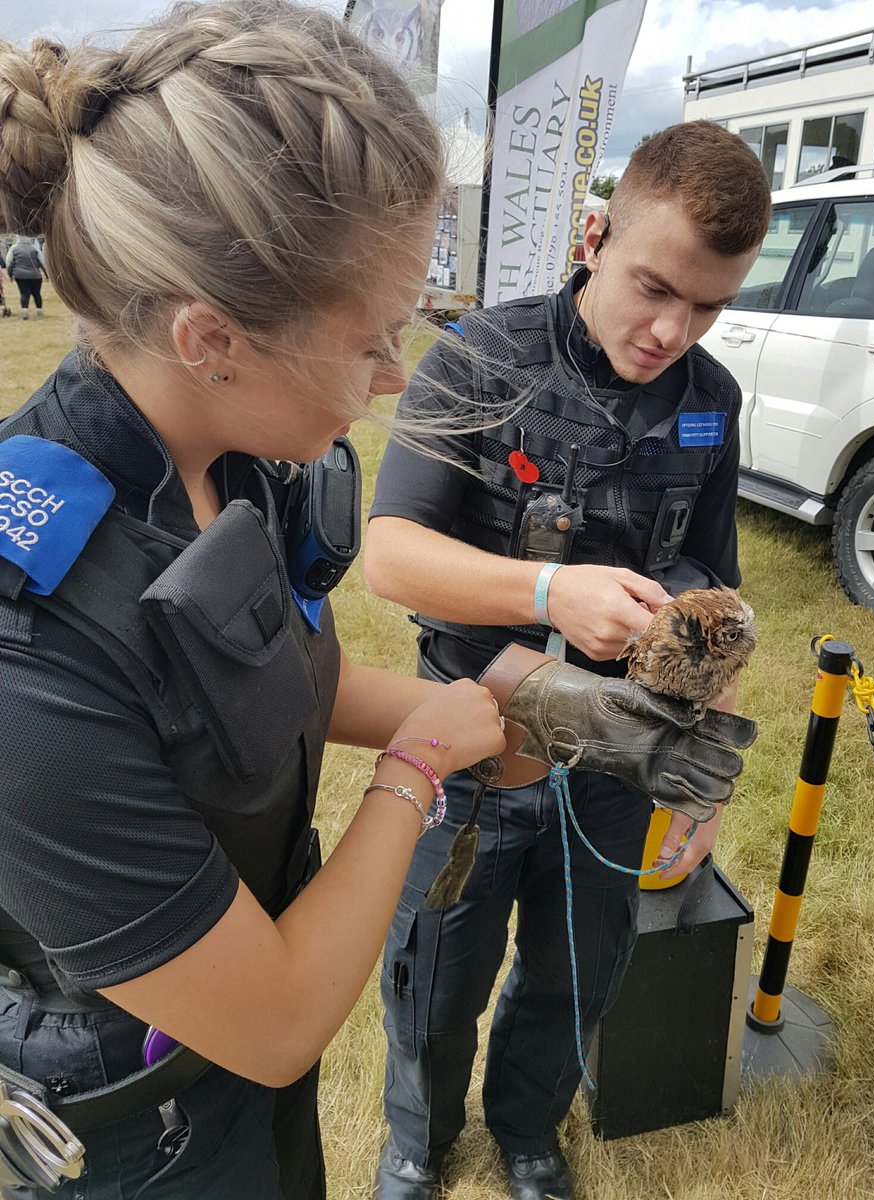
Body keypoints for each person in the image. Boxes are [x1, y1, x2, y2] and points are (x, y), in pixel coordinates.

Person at [0, 11, 752, 1200]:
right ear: (212, 338)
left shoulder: (228, 459)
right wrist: (415, 764)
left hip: (234, 1087)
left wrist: (543, 711)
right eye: (370, 342)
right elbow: (280, 1014)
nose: (398, 380)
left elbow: (272, 687)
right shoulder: (28, 654)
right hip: (133, 1128)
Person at [365, 120, 771, 1200]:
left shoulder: (709, 401)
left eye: (708, 307)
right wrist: (550, 592)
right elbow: (390, 554)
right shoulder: (482, 359)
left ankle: (530, 1133)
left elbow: (711, 584)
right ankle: (417, 1136)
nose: (671, 329)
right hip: (472, 746)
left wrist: (704, 781)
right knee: (435, 977)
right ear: (595, 235)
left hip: (619, 765)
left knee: (572, 977)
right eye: (652, 287)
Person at [5, 234, 47, 319]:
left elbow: (9, 263)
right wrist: (46, 275)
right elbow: (42, 262)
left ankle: (25, 312)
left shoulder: (14, 249)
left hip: (20, 275)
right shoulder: (34, 248)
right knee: (37, 293)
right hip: (35, 275)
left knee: (24, 293)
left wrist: (10, 275)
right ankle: (39, 311)